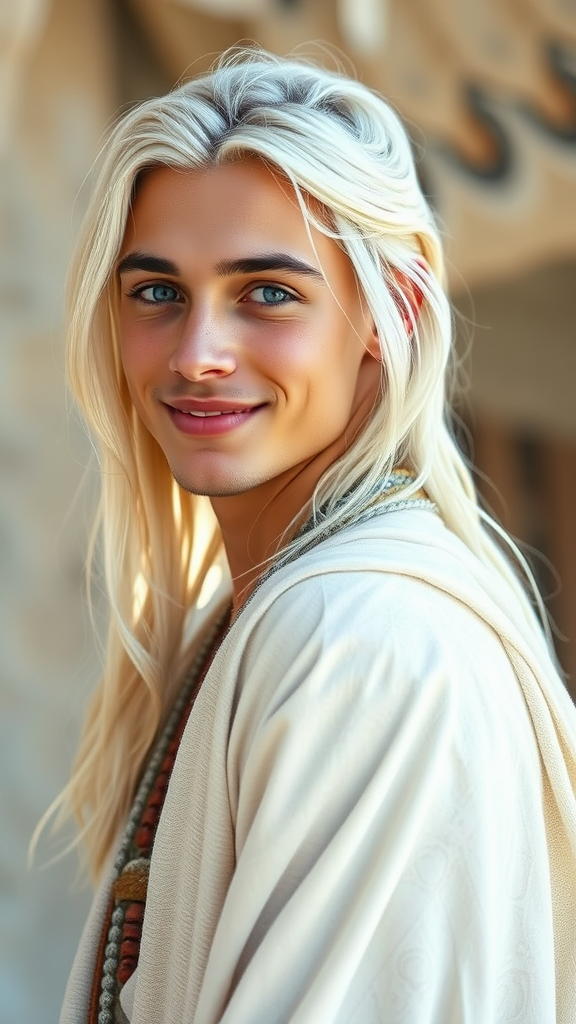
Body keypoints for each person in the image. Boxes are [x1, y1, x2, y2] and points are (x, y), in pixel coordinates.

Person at [54, 47, 576, 1024]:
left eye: (267, 292)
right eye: (158, 292)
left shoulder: (360, 638)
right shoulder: (274, 616)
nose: (198, 355)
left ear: (392, 313)